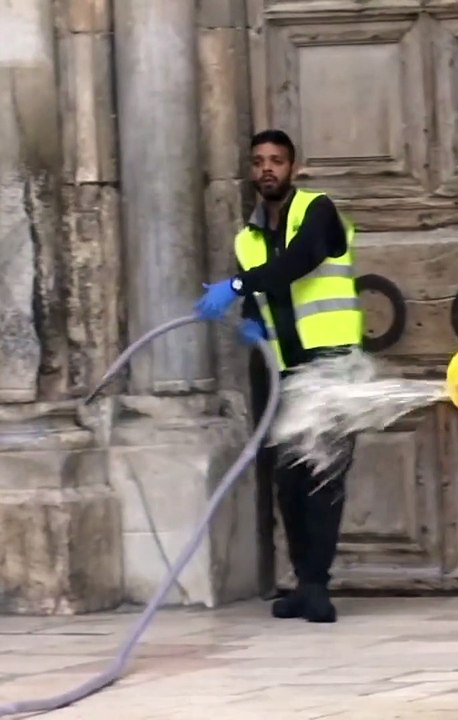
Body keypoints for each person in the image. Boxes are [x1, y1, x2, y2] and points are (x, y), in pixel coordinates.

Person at [194, 129, 363, 624]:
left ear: (294, 167)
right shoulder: (247, 237)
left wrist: (240, 284)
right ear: (251, 170)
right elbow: (266, 286)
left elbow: (301, 260)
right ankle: (303, 581)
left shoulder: (318, 210)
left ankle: (317, 586)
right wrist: (250, 312)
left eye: (277, 161)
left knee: (324, 474)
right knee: (288, 480)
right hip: (285, 368)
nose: (268, 169)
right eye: (259, 161)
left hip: (331, 361)